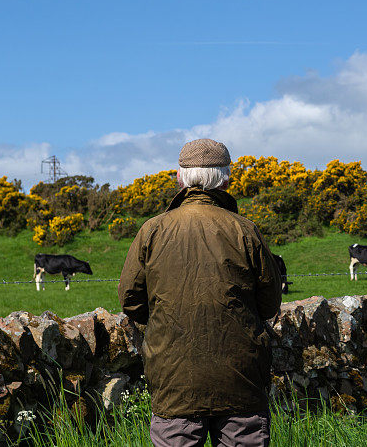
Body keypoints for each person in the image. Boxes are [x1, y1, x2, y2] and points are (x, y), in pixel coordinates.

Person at [118, 138, 282, 447]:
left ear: (179, 178)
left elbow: (130, 298)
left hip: (174, 378)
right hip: (241, 379)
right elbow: (270, 302)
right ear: (227, 179)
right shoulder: (244, 230)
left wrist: (164, 324)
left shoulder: (152, 230)